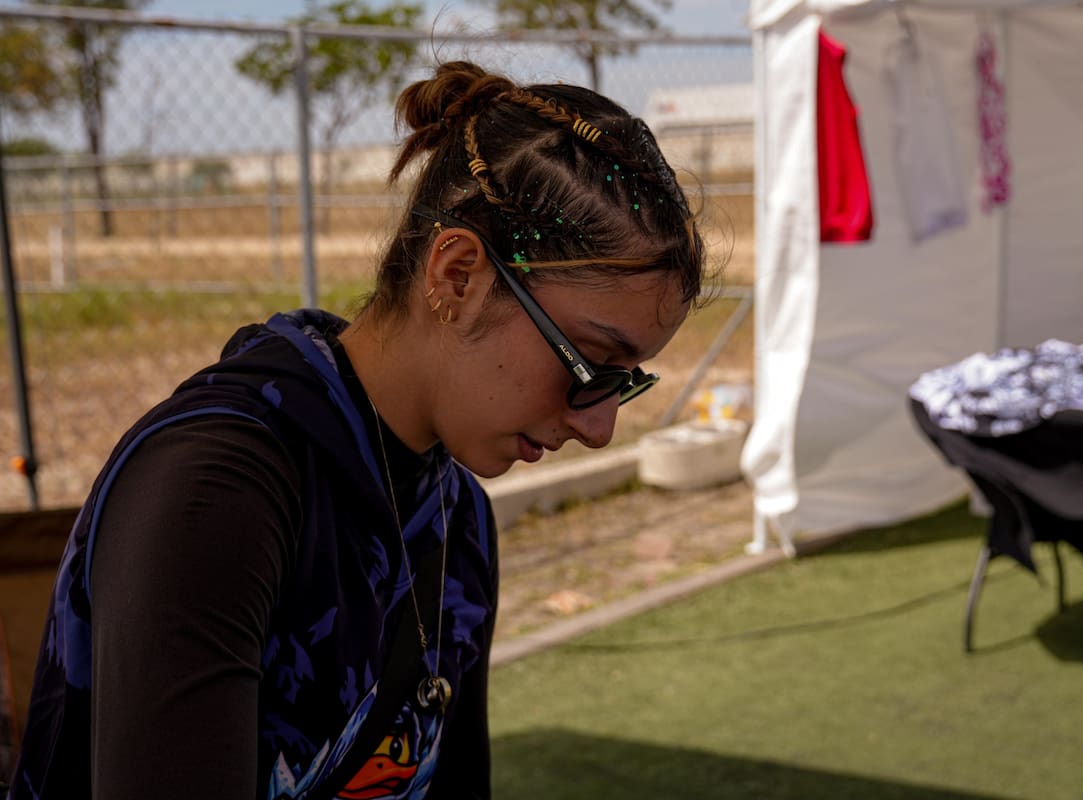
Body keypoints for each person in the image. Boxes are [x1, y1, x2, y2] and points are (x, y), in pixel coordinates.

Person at [8, 60, 710, 800]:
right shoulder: (215, 490)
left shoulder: (458, 515)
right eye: (590, 364)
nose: (600, 427)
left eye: (625, 383)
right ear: (459, 276)